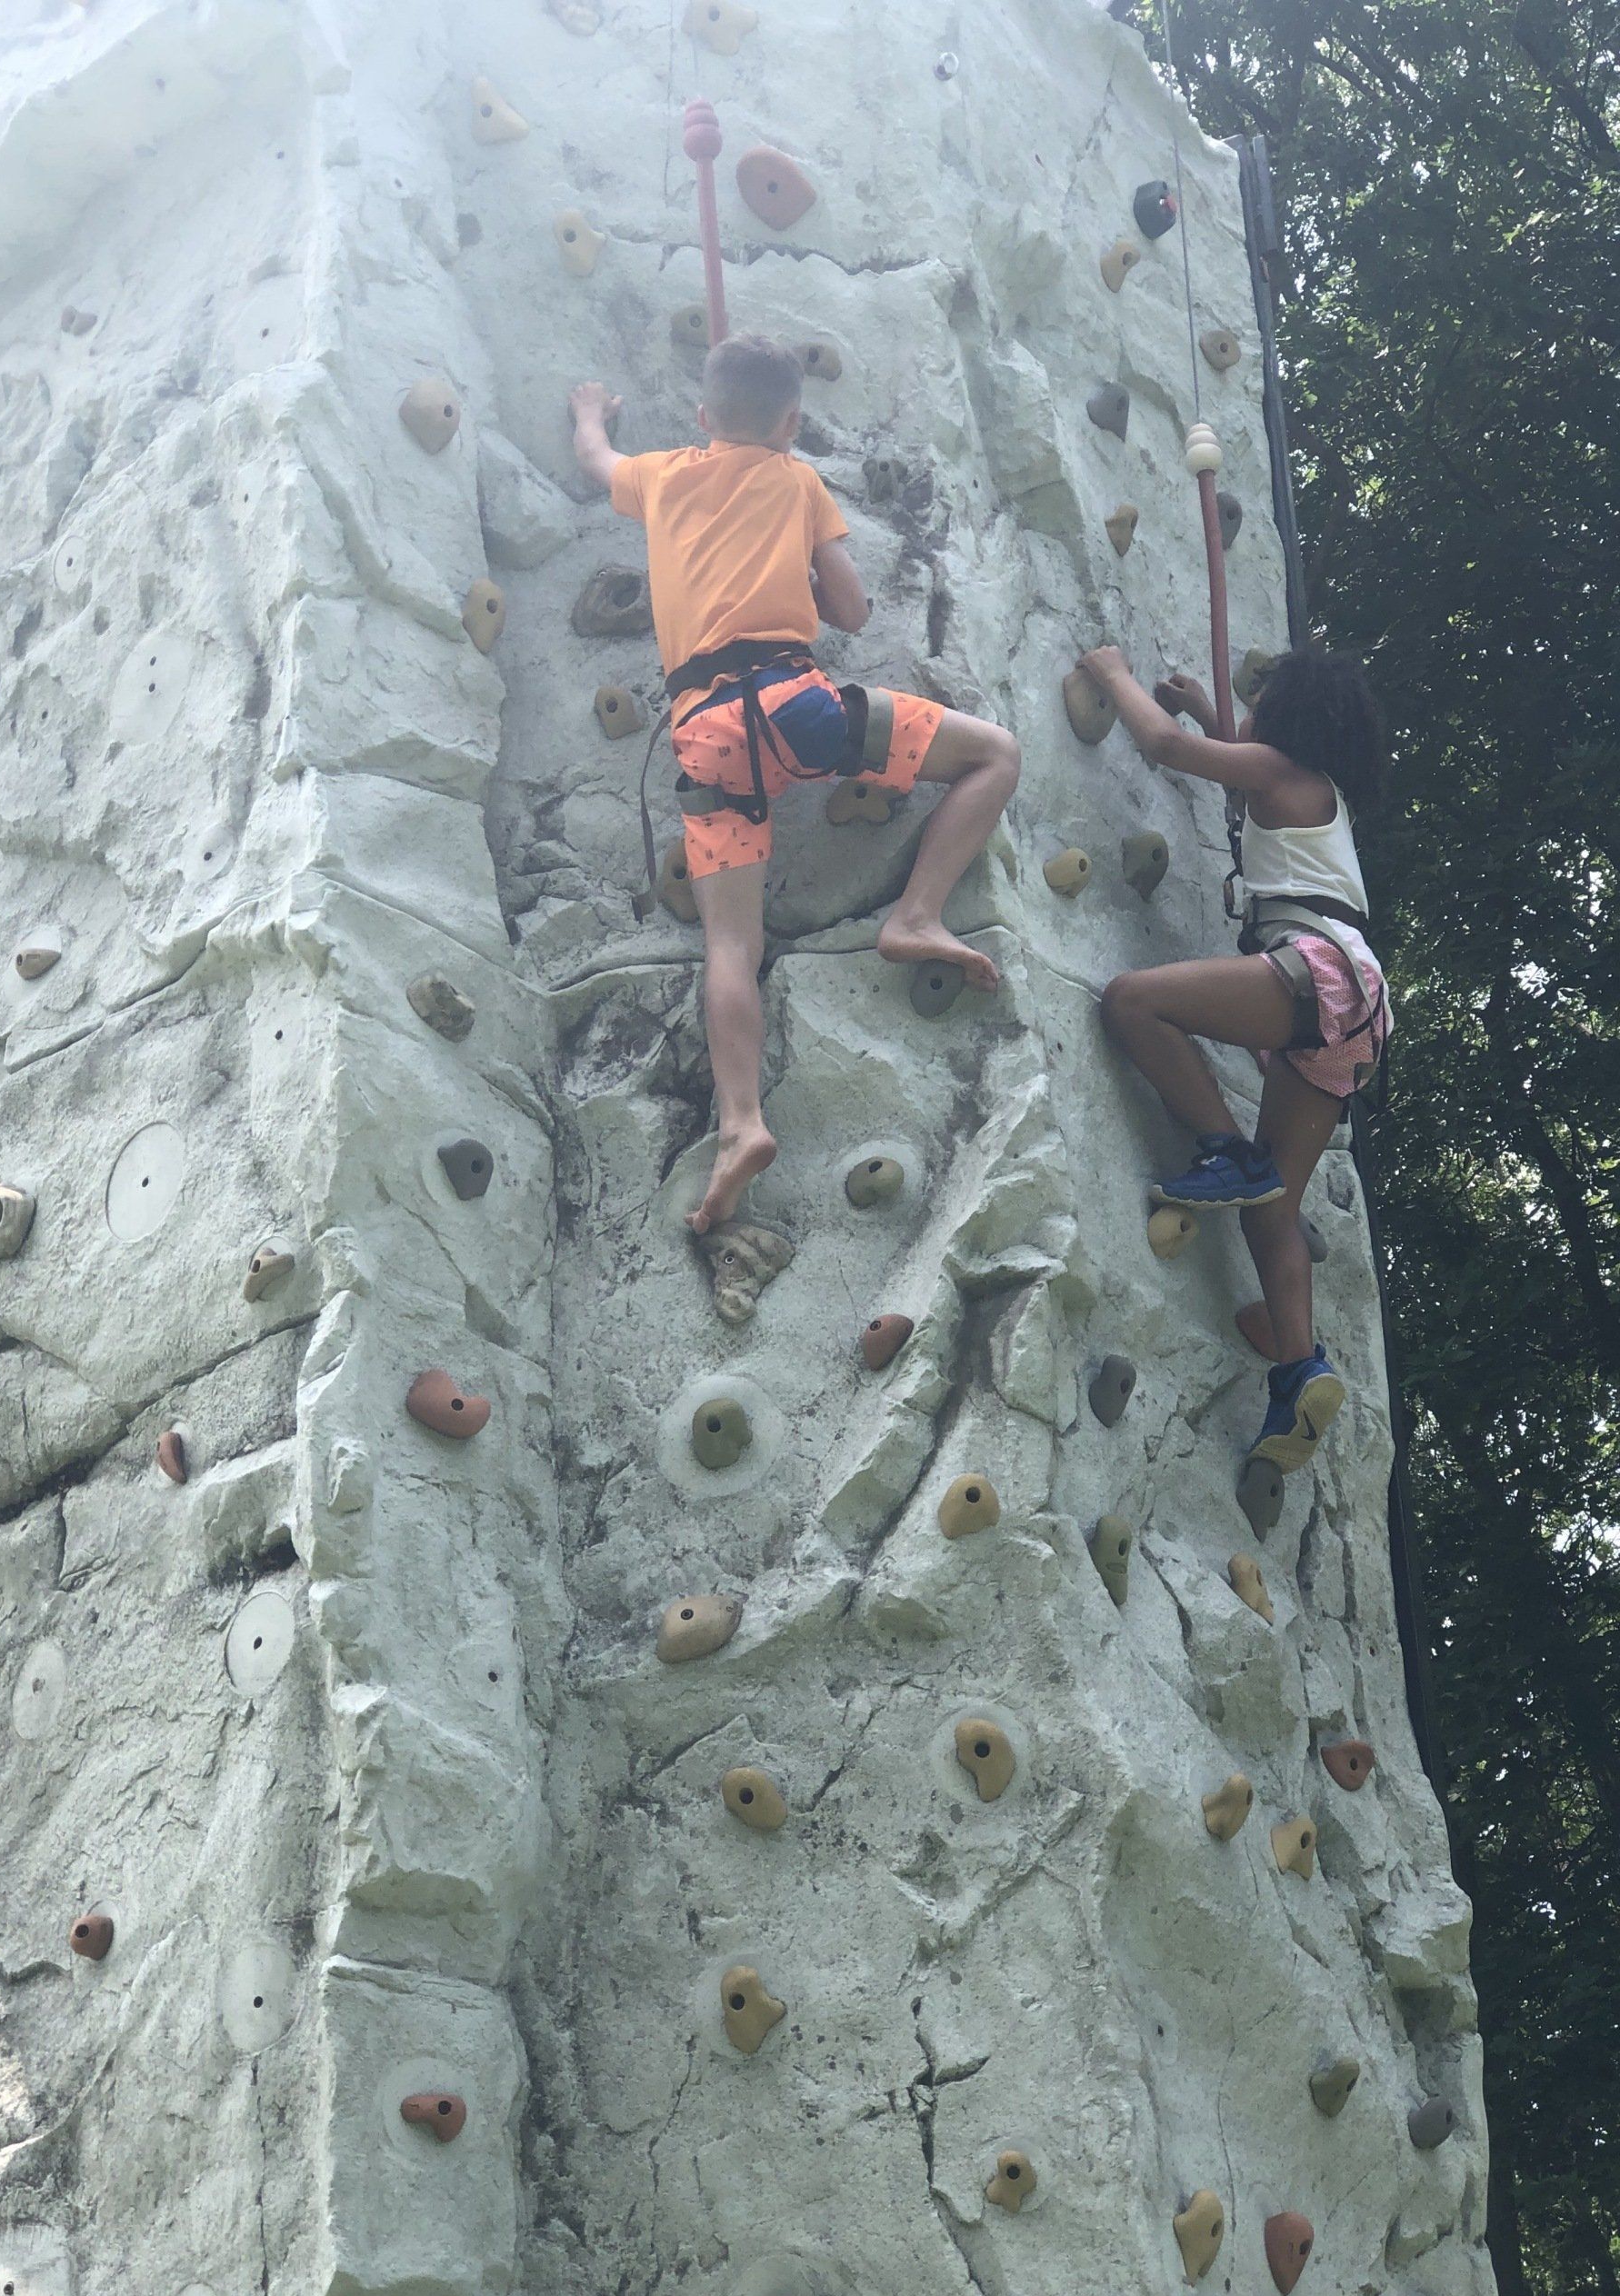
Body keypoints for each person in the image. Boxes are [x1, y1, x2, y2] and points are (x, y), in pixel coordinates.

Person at [569, 336, 1020, 1234]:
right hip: (796, 706)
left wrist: (590, 413)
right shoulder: (799, 480)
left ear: (703, 416)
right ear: (791, 423)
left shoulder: (662, 475)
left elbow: (597, 461)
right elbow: (850, 611)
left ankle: (741, 1122)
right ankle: (916, 914)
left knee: (731, 947)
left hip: (707, 735)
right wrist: (802, 560)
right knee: (995, 755)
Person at [1077, 644, 1390, 1474]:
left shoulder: (1279, 771)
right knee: (1272, 1211)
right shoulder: (1312, 791)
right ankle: (1300, 1369)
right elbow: (1234, 763)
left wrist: (1113, 674)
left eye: (1256, 708)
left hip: (1317, 973)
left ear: (1282, 719)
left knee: (1133, 1002)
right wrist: (1208, 710)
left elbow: (1169, 750)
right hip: (1356, 1014)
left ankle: (1225, 1148)